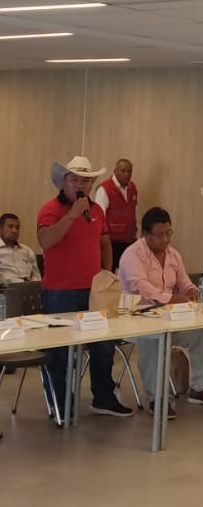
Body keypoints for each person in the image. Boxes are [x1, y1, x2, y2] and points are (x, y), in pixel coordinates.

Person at [37, 156, 133, 417]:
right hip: (60, 292)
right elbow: (45, 241)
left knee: (103, 345)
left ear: (91, 185)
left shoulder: (97, 211)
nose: (80, 185)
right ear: (63, 182)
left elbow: (105, 242)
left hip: (93, 292)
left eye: (86, 180)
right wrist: (72, 215)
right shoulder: (50, 209)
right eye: (74, 179)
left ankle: (103, 398)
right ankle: (60, 404)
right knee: (60, 352)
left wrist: (106, 272)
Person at [118, 207, 203, 417]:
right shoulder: (133, 254)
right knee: (154, 339)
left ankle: (201, 388)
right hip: (136, 318)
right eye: (160, 234)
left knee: (199, 334)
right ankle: (157, 398)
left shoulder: (173, 254)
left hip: (168, 316)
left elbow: (183, 280)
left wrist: (191, 289)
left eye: (169, 233)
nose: (166, 239)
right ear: (145, 234)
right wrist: (168, 298)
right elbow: (138, 285)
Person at [95, 158, 137, 271]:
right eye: (123, 171)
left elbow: (132, 212)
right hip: (111, 242)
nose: (126, 174)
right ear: (115, 171)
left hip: (129, 240)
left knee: (127, 273)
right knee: (109, 273)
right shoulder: (104, 189)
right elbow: (100, 217)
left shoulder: (132, 188)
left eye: (129, 171)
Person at [0, 213, 41, 285]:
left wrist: (33, 285)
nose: (14, 230)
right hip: (6, 288)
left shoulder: (27, 251)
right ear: (1, 229)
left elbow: (36, 274)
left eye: (17, 228)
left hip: (28, 288)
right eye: (10, 227)